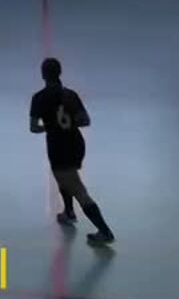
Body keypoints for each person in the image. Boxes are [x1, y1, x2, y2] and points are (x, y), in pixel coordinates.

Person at [29, 58, 115, 247]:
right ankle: (68, 212)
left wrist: (50, 127)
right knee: (63, 179)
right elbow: (85, 121)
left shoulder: (39, 98)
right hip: (76, 144)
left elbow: (34, 128)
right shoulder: (71, 95)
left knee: (77, 189)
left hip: (58, 147)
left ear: (43, 74)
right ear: (59, 73)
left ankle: (104, 231)